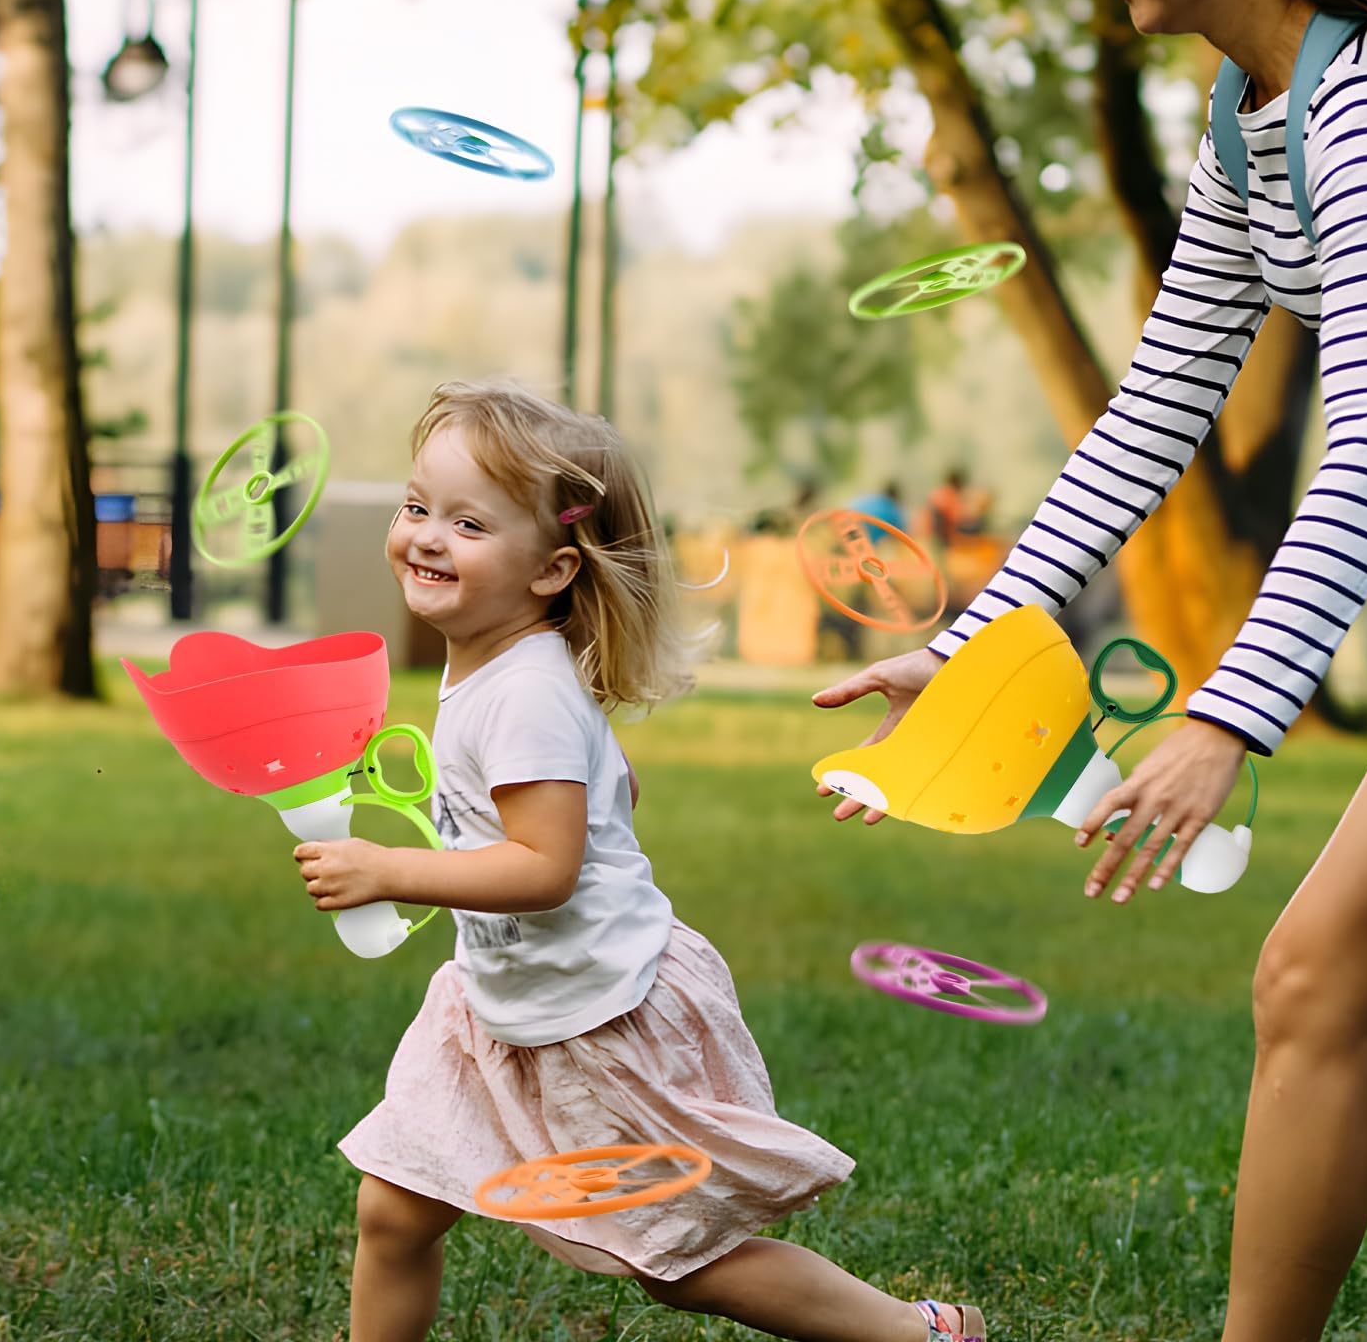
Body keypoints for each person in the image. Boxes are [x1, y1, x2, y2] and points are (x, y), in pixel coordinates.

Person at [812, 0, 1367, 1340]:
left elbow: (1365, 449)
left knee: (1311, 979)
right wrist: (972, 647)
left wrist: (1230, 716)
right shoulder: (1259, 107)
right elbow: (1151, 417)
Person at [292, 379, 987, 1342]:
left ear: (552, 571)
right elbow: (607, 793)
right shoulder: (495, 664)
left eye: (469, 523)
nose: (426, 537)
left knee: (677, 1261)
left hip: (596, 1014)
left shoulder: (525, 691)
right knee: (395, 1208)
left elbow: (544, 870)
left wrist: (390, 870)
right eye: (417, 508)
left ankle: (922, 1335)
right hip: (500, 1000)